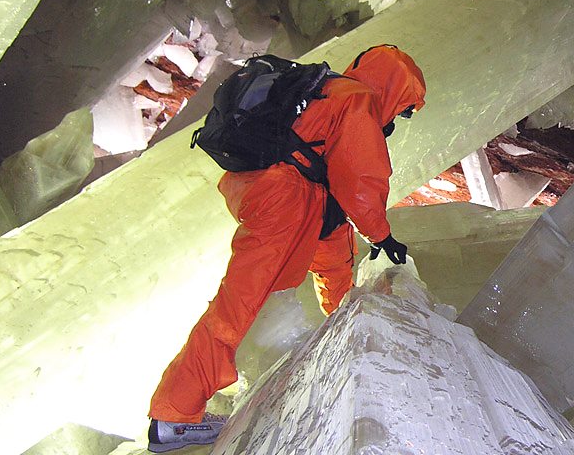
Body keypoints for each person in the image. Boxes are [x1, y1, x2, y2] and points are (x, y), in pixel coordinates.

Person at [146, 44, 426, 453]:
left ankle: (184, 406)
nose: (395, 122)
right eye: (401, 110)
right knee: (239, 303)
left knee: (258, 297)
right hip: (281, 196)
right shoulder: (357, 100)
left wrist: (346, 311)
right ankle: (174, 414)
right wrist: (381, 236)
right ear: (394, 91)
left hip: (280, 190)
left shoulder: (327, 97)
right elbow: (360, 183)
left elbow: (330, 233)